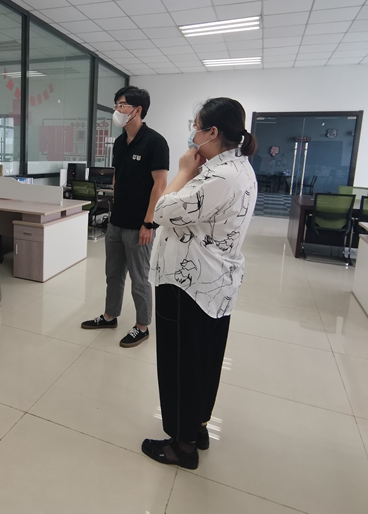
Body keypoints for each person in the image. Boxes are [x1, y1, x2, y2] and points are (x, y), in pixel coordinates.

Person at [141, 97, 258, 470]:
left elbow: (162, 211)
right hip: (212, 284)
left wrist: (182, 172)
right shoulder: (237, 168)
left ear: (212, 132)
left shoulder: (219, 177)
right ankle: (197, 427)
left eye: (195, 126)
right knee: (203, 360)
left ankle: (182, 444)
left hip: (188, 285)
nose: (192, 133)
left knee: (181, 364)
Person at [81, 86, 169, 347]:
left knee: (139, 279)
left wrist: (148, 223)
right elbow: (117, 177)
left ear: (137, 110)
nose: (117, 110)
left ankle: (142, 326)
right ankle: (110, 316)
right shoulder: (120, 142)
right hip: (116, 222)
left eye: (121, 105)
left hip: (139, 225)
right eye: (116, 105)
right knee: (113, 274)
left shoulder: (155, 142)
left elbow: (160, 185)